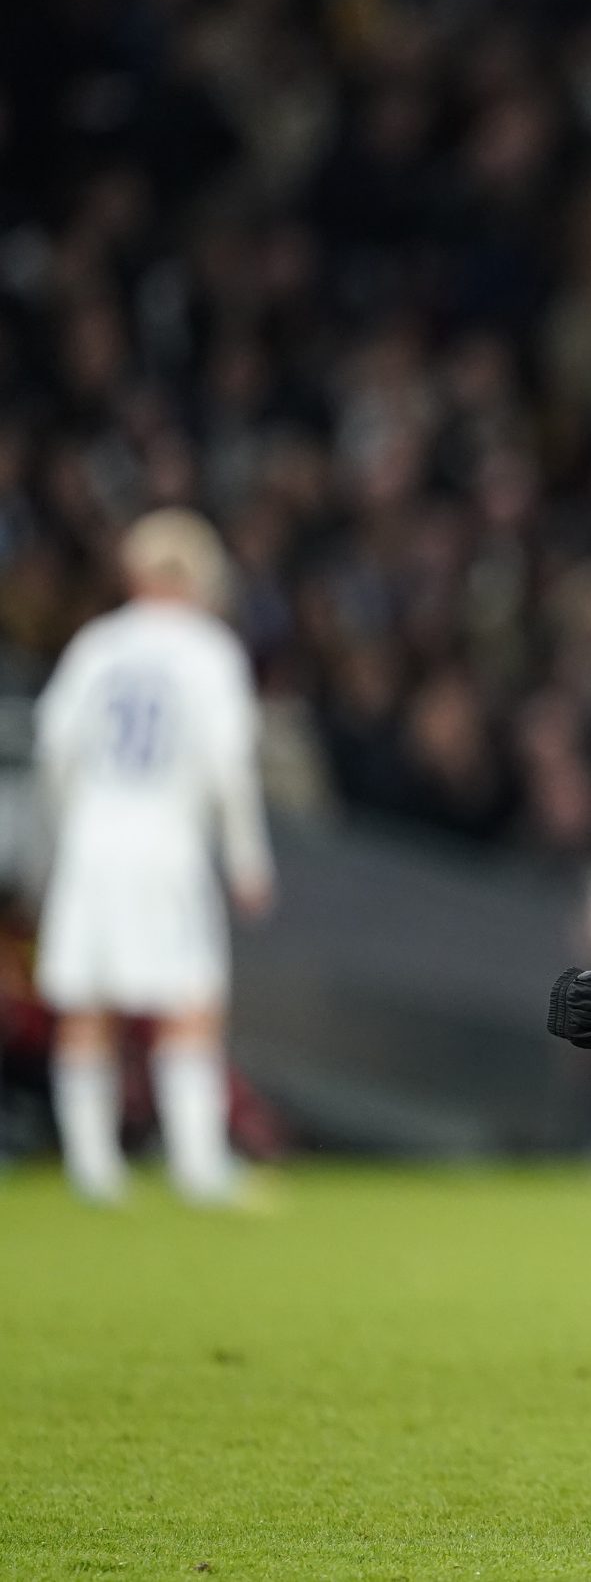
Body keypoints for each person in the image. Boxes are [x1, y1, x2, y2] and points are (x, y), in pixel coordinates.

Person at [36, 509, 273, 1207]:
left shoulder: (97, 646)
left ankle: (93, 1171)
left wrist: (56, 840)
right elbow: (229, 763)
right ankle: (197, 1168)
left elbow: (55, 750)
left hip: (93, 836)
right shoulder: (209, 651)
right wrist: (246, 858)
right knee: (189, 999)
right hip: (168, 840)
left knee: (87, 1000)